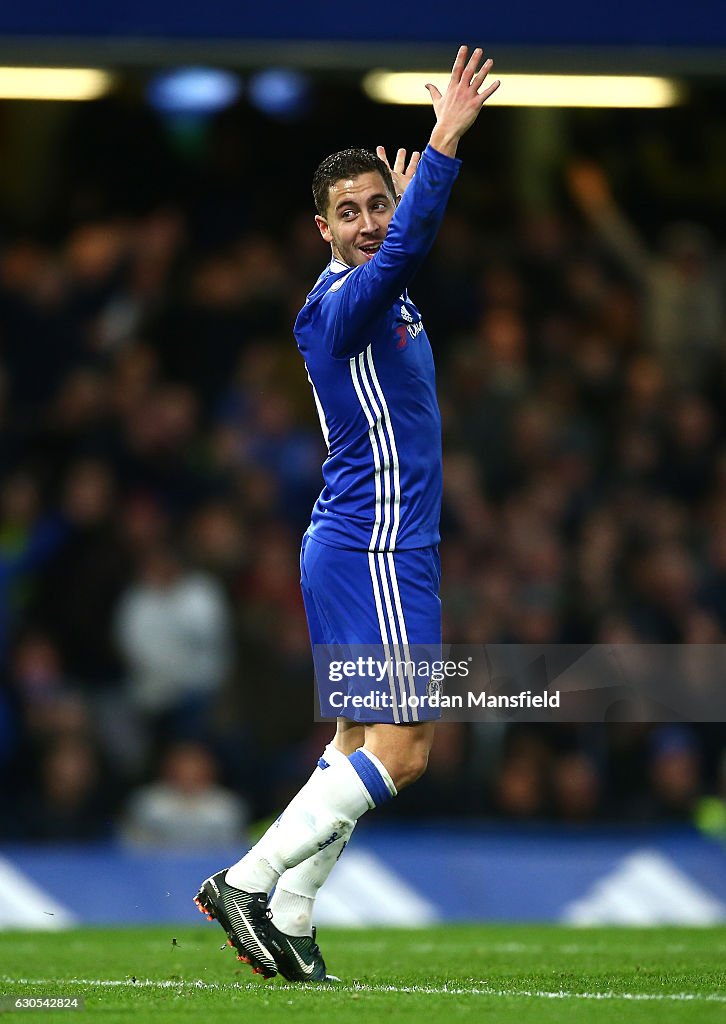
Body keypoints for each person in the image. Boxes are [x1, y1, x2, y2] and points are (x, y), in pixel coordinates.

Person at [194, 45, 500, 983]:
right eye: (351, 213)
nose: (370, 223)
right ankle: (247, 881)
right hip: (373, 545)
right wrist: (444, 142)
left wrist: (408, 210)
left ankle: (289, 914)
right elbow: (404, 249)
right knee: (406, 753)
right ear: (320, 229)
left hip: (365, 544)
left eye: (378, 204)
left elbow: (401, 257)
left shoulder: (382, 295)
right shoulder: (336, 310)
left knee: (359, 745)